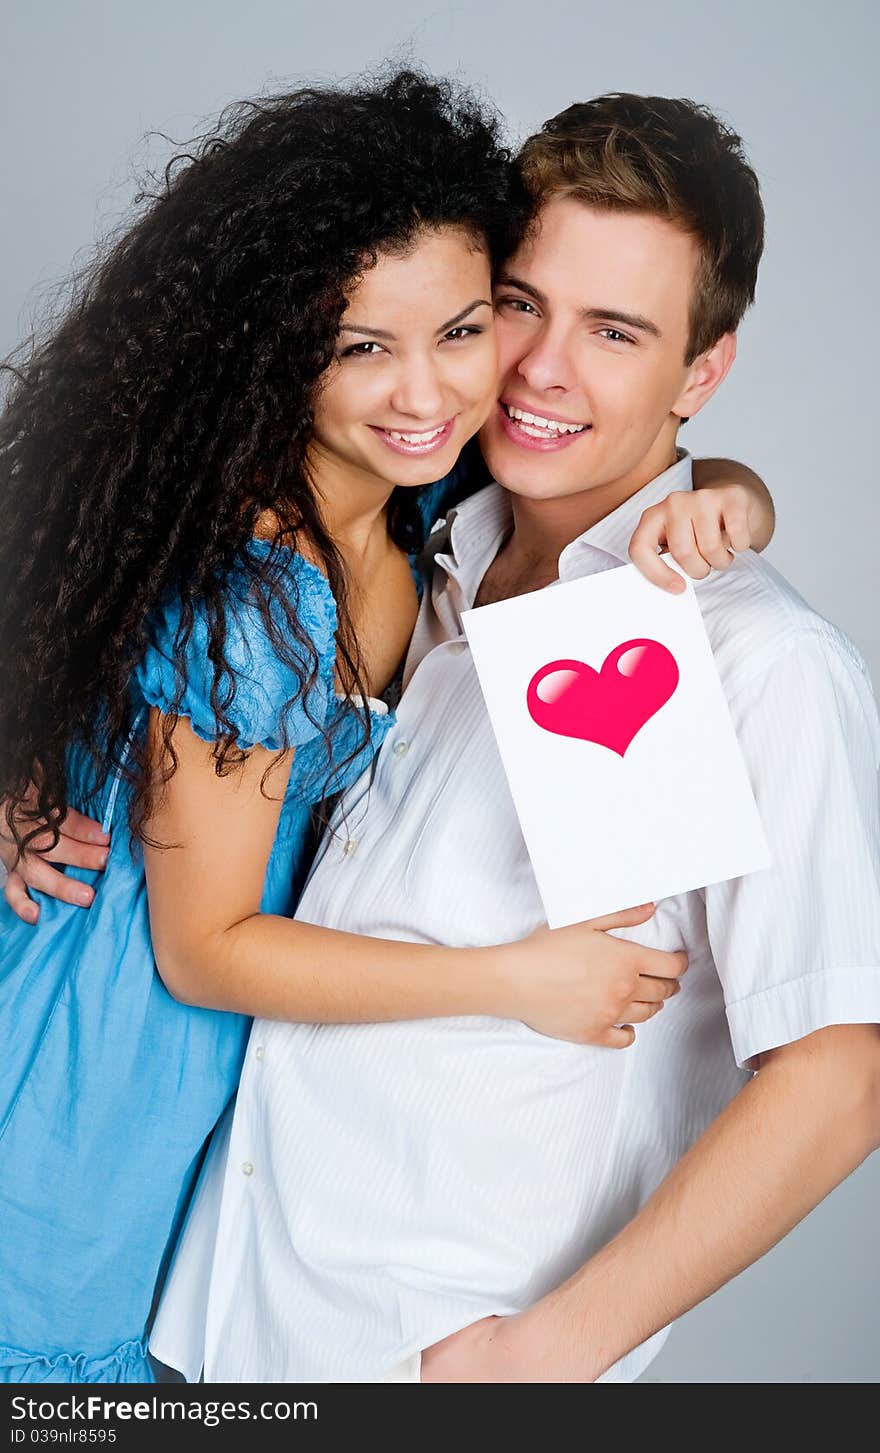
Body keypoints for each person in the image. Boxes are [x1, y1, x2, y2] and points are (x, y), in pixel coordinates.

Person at [0, 74, 773, 1385]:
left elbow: (656, 451)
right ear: (275, 347)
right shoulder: (257, 593)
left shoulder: (432, 505)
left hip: (207, 1129)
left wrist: (730, 498)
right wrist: (516, 977)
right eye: (360, 346)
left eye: (466, 327)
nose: (429, 389)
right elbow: (204, 949)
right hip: (85, 1112)